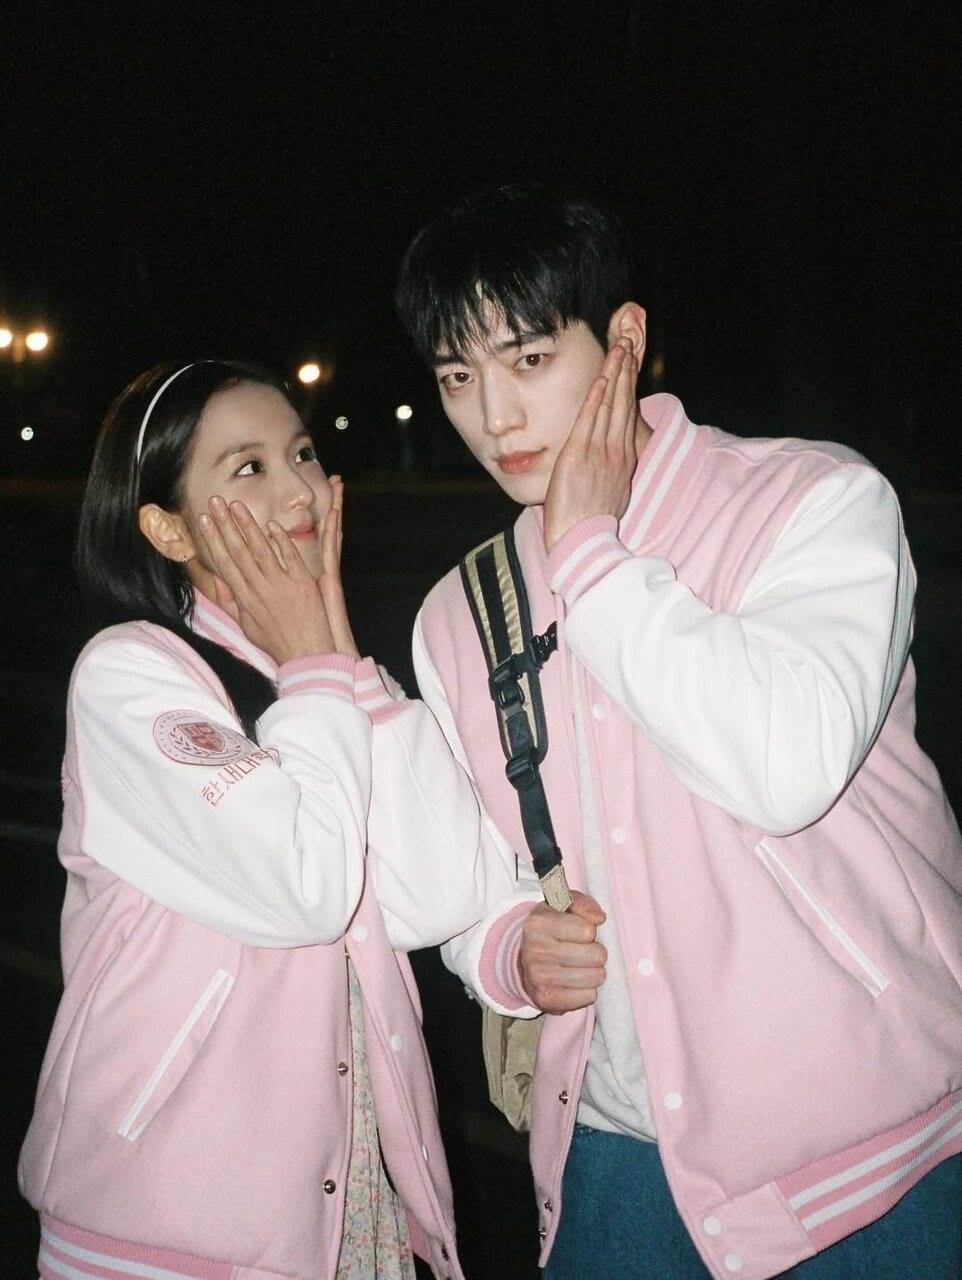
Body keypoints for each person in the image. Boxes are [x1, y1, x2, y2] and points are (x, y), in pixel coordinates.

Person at [396, 186, 962, 1278]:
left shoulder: (811, 500)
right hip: (617, 1158)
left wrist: (591, 556)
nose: (494, 417)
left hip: (866, 1152)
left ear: (623, 339)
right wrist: (505, 947)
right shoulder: (460, 613)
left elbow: (784, 766)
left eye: (527, 360)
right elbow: (471, 868)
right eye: (457, 377)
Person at [19, 360, 518, 1280]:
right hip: (167, 1229)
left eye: (302, 453)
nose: (299, 490)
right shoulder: (132, 675)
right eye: (248, 467)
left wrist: (342, 659)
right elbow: (308, 891)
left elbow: (442, 896)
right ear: (167, 528)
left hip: (346, 1210)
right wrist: (319, 670)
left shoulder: (322, 677)